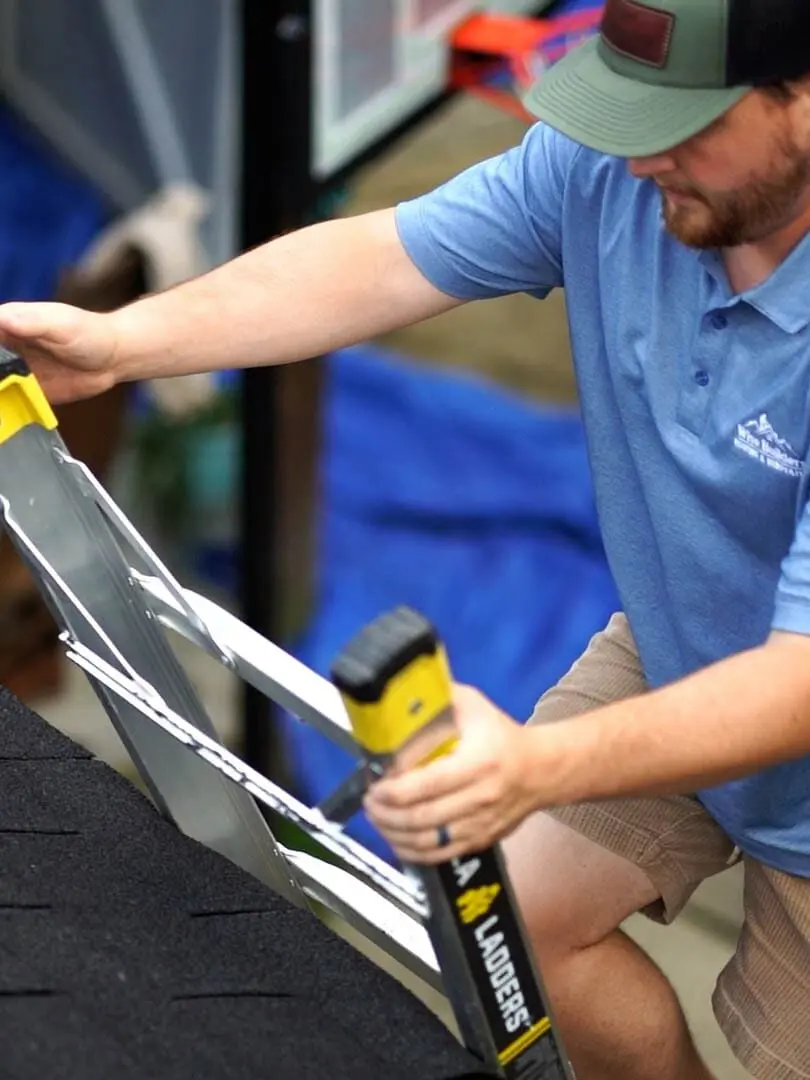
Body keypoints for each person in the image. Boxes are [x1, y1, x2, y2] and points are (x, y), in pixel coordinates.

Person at [2, 0, 810, 1075]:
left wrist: (536, 762)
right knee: (512, 930)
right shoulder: (610, 169)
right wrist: (121, 345)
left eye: (687, 123)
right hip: (682, 636)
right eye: (625, 110)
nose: (640, 151)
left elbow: (796, 686)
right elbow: (387, 259)